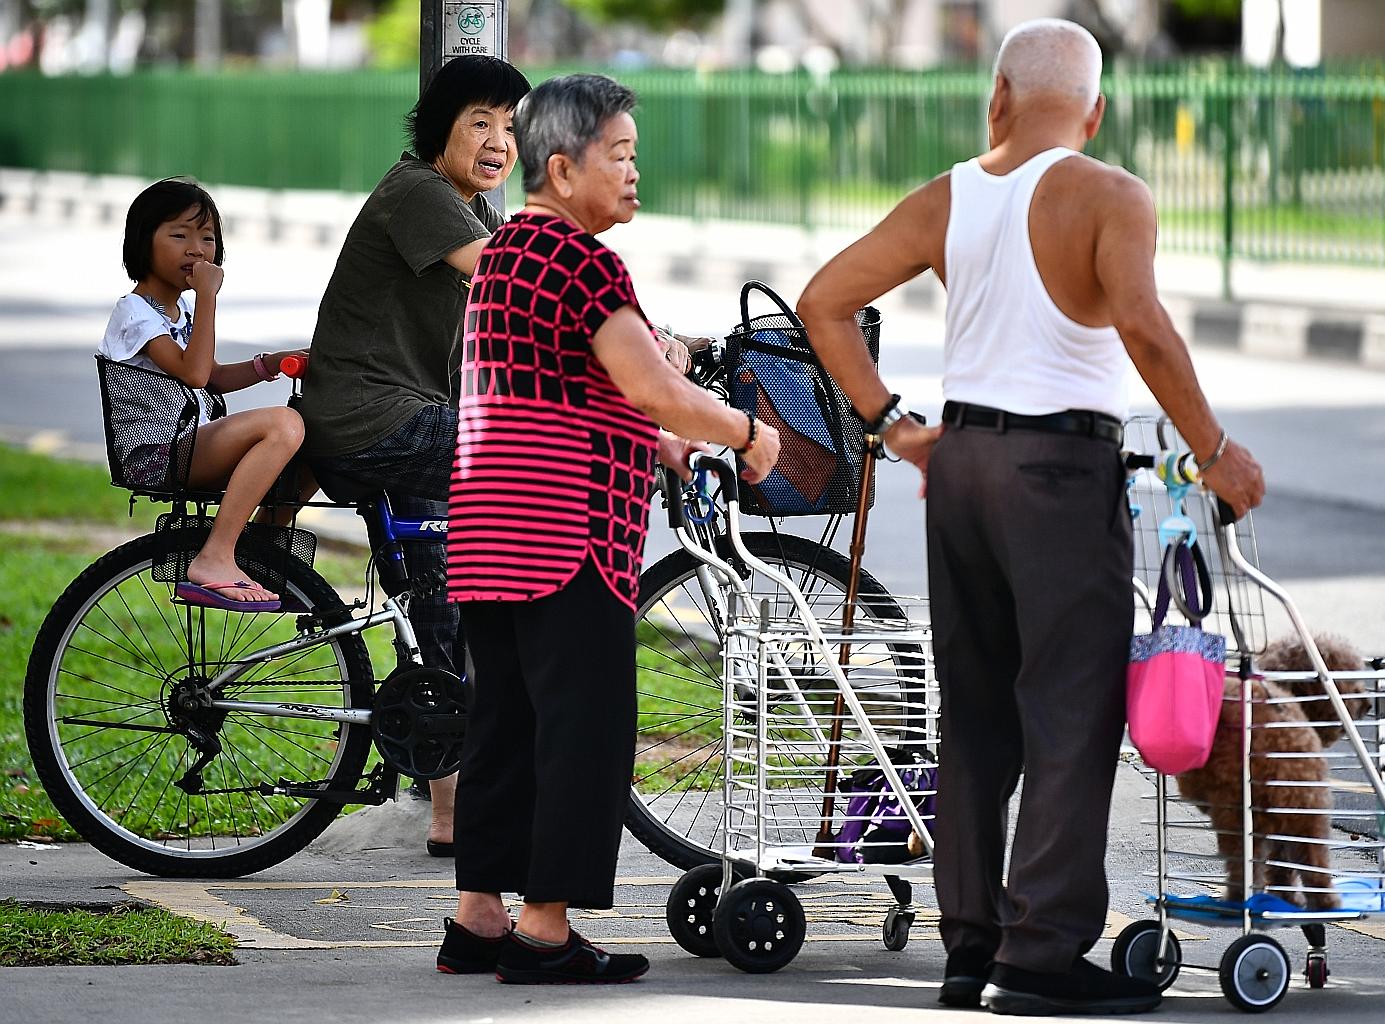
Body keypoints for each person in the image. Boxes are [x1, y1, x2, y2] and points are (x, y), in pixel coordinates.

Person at [796, 18, 1265, 1018]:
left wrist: (890, 423)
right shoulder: (1110, 193)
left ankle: (969, 947)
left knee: (972, 713)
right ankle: (1040, 955)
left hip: (959, 464)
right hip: (1061, 468)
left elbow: (823, 300)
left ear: (996, 98)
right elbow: (1143, 325)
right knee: (1067, 708)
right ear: (1095, 112)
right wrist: (1217, 455)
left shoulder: (949, 196)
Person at [435, 73, 780, 985]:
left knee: (504, 724)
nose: (634, 173)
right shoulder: (583, 260)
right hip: (565, 532)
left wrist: (661, 442)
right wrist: (746, 431)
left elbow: (562, 383)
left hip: (488, 528)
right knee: (584, 728)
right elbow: (654, 382)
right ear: (562, 166)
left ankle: (477, 917)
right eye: (619, 157)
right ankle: (544, 931)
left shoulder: (508, 249)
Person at [298, 55, 533, 855]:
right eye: (481, 122)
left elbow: (520, 321)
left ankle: (449, 813)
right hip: (375, 421)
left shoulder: (471, 209)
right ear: (439, 126)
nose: (499, 141)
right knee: (531, 467)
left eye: (509, 125)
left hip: (410, 418)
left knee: (445, 600)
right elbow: (516, 284)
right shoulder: (419, 194)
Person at [100, 177, 309, 612]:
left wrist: (268, 365)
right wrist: (209, 297)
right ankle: (216, 555)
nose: (196, 248)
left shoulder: (182, 308)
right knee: (284, 424)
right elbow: (194, 375)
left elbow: (210, 375)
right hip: (155, 452)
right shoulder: (134, 311)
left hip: (185, 446)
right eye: (179, 235)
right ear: (144, 242)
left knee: (320, 437)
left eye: (208, 238)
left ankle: (258, 550)